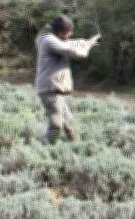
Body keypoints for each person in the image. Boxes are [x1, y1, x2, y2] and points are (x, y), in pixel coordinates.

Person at [35, 15, 100, 143]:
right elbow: (75, 52)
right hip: (50, 89)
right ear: (60, 32)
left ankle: (74, 145)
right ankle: (45, 148)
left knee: (68, 123)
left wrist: (89, 42)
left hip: (55, 88)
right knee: (56, 125)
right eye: (68, 32)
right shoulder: (49, 41)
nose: (70, 34)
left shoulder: (53, 38)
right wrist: (87, 48)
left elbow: (71, 42)